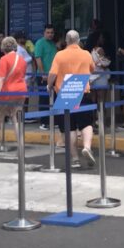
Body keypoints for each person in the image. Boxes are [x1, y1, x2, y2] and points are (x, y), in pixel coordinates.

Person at [47, 30, 97, 169]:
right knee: (86, 123)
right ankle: (87, 147)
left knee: (69, 128)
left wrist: (49, 85)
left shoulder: (60, 55)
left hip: (65, 92)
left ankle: (75, 158)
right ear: (78, 40)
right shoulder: (86, 54)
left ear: (66, 41)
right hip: (82, 90)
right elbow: (92, 69)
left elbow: (52, 74)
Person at [34, 24, 59, 130]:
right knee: (44, 99)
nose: (50, 34)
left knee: (54, 98)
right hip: (43, 76)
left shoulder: (53, 44)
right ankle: (44, 122)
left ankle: (54, 121)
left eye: (52, 32)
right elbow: (38, 58)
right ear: (44, 33)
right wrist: (43, 73)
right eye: (48, 32)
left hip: (54, 75)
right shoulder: (40, 43)